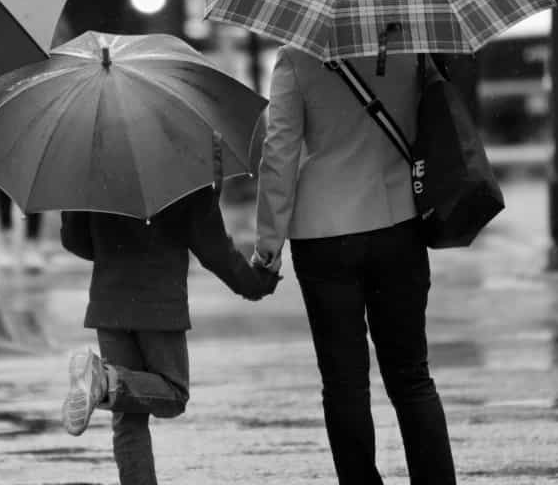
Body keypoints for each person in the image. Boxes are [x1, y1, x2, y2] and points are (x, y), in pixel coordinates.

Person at [253, 47, 457, 485]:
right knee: (411, 375)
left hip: (324, 233)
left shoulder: (296, 59)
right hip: (399, 220)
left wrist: (268, 244)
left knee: (344, 382)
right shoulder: (411, 49)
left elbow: (280, 151)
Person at [59, 186, 279, 485]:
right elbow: (212, 247)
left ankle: (106, 382)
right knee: (173, 394)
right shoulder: (184, 162)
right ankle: (106, 381)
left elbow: (74, 240)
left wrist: (113, 247)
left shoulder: (90, 164)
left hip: (108, 301)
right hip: (159, 303)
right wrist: (255, 283)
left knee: (128, 420)